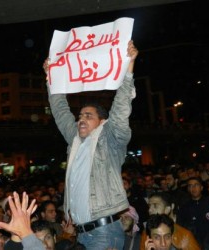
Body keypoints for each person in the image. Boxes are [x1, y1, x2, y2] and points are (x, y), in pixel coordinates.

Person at [44, 40, 138, 249]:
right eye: (80, 116)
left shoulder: (110, 140)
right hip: (81, 233)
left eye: (89, 115)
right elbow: (60, 111)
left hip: (104, 232)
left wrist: (128, 67)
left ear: (102, 122)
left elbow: (121, 108)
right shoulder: (75, 140)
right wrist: (52, 78)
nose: (81, 119)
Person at [176, 177, 209, 247]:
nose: (193, 188)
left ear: (201, 187)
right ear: (188, 189)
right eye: (190, 186)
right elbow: (180, 227)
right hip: (192, 243)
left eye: (196, 185)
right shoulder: (184, 207)